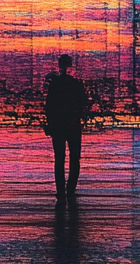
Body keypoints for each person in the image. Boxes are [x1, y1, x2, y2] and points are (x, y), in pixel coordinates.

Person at [44, 54, 88, 202]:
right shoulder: (76, 84)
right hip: (73, 124)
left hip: (58, 125)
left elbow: (49, 106)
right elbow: (83, 103)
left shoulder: (55, 84)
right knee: (74, 158)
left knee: (59, 158)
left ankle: (61, 190)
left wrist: (50, 124)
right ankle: (70, 190)